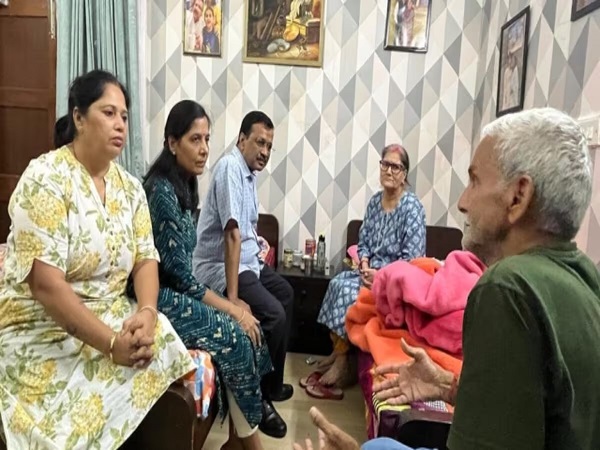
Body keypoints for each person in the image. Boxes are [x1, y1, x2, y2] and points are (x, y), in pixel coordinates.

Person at [297, 107, 600, 450]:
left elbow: (412, 260)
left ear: (518, 196)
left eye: (474, 180)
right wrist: (449, 386)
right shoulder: (585, 275)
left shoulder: (505, 288)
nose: (462, 202)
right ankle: (342, 358)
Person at [0, 70, 196, 449]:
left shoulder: (131, 189)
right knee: (60, 419)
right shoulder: (46, 178)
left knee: (161, 343)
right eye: (108, 113)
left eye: (124, 116)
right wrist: (110, 345)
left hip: (110, 312)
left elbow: (145, 259)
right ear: (78, 117)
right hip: (42, 325)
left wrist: (147, 312)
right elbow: (45, 284)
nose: (120, 124)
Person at [143, 100, 272, 448]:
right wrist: (231, 308)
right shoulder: (161, 192)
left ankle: (235, 440)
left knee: (251, 328)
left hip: (180, 289)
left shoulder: (185, 185)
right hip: (160, 296)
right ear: (173, 143)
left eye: (207, 139)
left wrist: (235, 307)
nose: (204, 150)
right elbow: (181, 279)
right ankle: (251, 446)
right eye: (194, 139)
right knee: (236, 332)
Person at [193, 111, 294, 438]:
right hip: (220, 266)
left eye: (269, 146)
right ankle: (257, 400)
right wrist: (234, 299)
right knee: (274, 314)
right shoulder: (229, 169)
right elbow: (232, 234)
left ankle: (272, 384)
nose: (264, 151)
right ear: (241, 140)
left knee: (287, 294)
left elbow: (248, 233)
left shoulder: (248, 174)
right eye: (259, 143)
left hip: (248, 262)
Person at [313, 144, 426, 388]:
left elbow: (413, 260)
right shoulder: (375, 202)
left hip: (392, 282)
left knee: (348, 293)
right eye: (385, 164)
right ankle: (338, 351)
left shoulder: (412, 208)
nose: (389, 171)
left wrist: (381, 276)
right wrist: (364, 262)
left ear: (404, 174)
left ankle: (343, 364)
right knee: (336, 283)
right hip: (368, 273)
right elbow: (363, 241)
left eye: (395, 167)